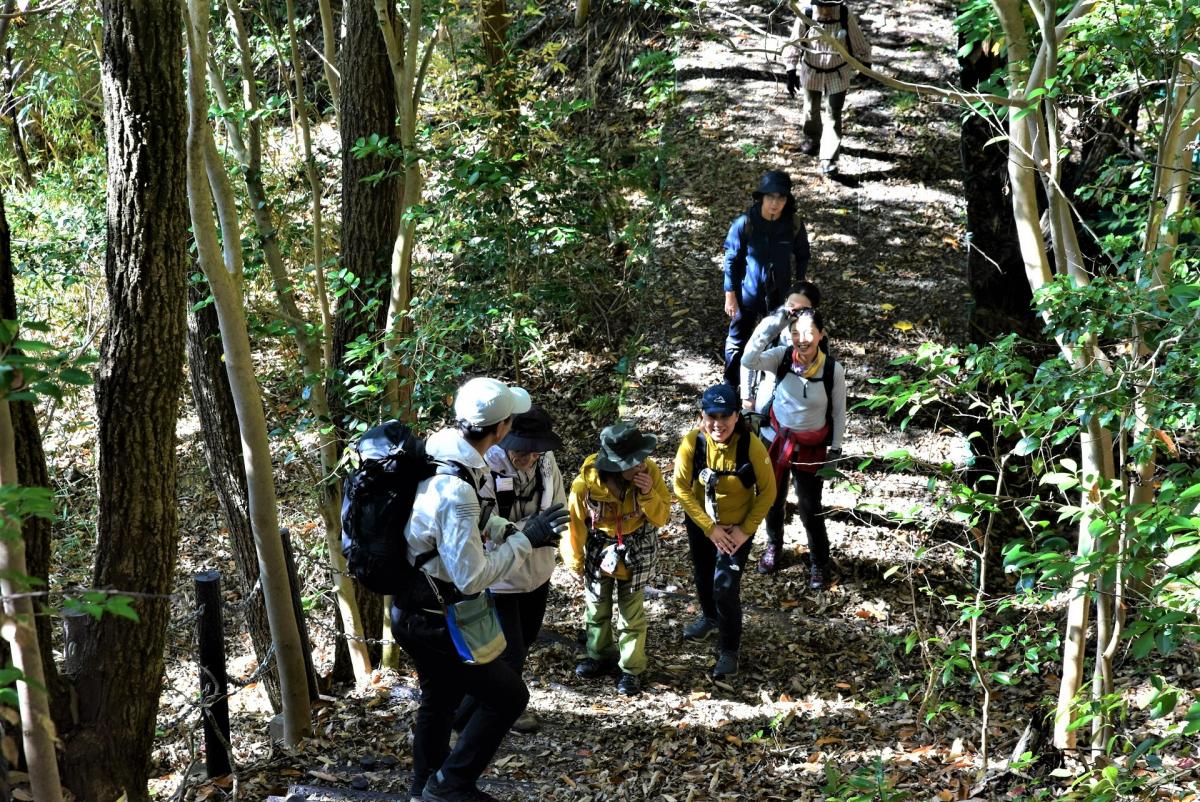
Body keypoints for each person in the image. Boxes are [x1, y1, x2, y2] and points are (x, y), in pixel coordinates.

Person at [392, 377, 569, 802]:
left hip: (415, 607)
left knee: (440, 698)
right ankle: (450, 785)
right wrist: (527, 538)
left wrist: (510, 529)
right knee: (509, 696)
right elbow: (472, 577)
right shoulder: (458, 490)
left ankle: (424, 789)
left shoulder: (442, 451)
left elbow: (474, 521)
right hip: (434, 617)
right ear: (501, 428)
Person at [455, 406, 567, 735]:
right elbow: (483, 526)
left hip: (537, 572)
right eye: (522, 449)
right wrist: (529, 530)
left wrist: (540, 531)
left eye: (535, 450)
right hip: (500, 576)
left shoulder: (546, 462)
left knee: (526, 639)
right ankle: (492, 714)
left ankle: (483, 707)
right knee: (509, 654)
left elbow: (555, 512)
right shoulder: (485, 467)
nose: (529, 457)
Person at [673, 384, 776, 680]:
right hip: (702, 525)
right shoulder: (693, 443)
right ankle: (709, 617)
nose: (718, 424)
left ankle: (729, 648)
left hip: (736, 529)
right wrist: (709, 528)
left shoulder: (750, 445)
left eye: (725, 416)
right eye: (711, 416)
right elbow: (680, 488)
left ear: (736, 416)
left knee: (726, 586)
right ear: (702, 415)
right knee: (704, 573)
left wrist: (745, 531)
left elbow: (768, 492)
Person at [562, 421, 671, 697]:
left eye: (641, 458)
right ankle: (598, 655)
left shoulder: (650, 473)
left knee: (631, 615)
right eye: (633, 462)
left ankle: (631, 669)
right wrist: (574, 561)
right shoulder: (585, 486)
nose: (641, 465)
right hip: (600, 550)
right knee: (596, 607)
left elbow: (662, 517)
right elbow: (574, 525)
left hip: (637, 550)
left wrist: (647, 494)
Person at [741, 308, 846, 588]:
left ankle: (819, 563)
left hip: (811, 448)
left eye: (809, 332)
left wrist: (834, 453)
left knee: (810, 508)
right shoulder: (781, 358)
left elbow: (838, 413)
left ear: (821, 335)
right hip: (775, 441)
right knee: (772, 500)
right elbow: (749, 359)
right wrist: (775, 323)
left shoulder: (833, 370)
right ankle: (774, 547)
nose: (803, 339)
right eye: (796, 332)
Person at [723, 170, 811, 407]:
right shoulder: (745, 223)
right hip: (747, 293)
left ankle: (769, 389)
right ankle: (731, 385)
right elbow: (731, 260)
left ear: (787, 200)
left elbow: (803, 255)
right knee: (737, 340)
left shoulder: (792, 224)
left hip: (780, 296)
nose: (775, 203)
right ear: (761, 197)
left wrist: (798, 290)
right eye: (770, 197)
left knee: (777, 340)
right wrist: (730, 296)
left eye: (781, 198)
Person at [784, 0, 873, 175]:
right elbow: (794, 42)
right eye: (821, 5)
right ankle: (812, 138)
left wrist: (866, 64)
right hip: (812, 71)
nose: (825, 10)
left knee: (834, 114)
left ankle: (828, 158)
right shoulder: (806, 14)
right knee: (810, 109)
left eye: (830, 5)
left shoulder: (845, 15)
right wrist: (790, 70)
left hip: (837, 73)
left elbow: (858, 41)